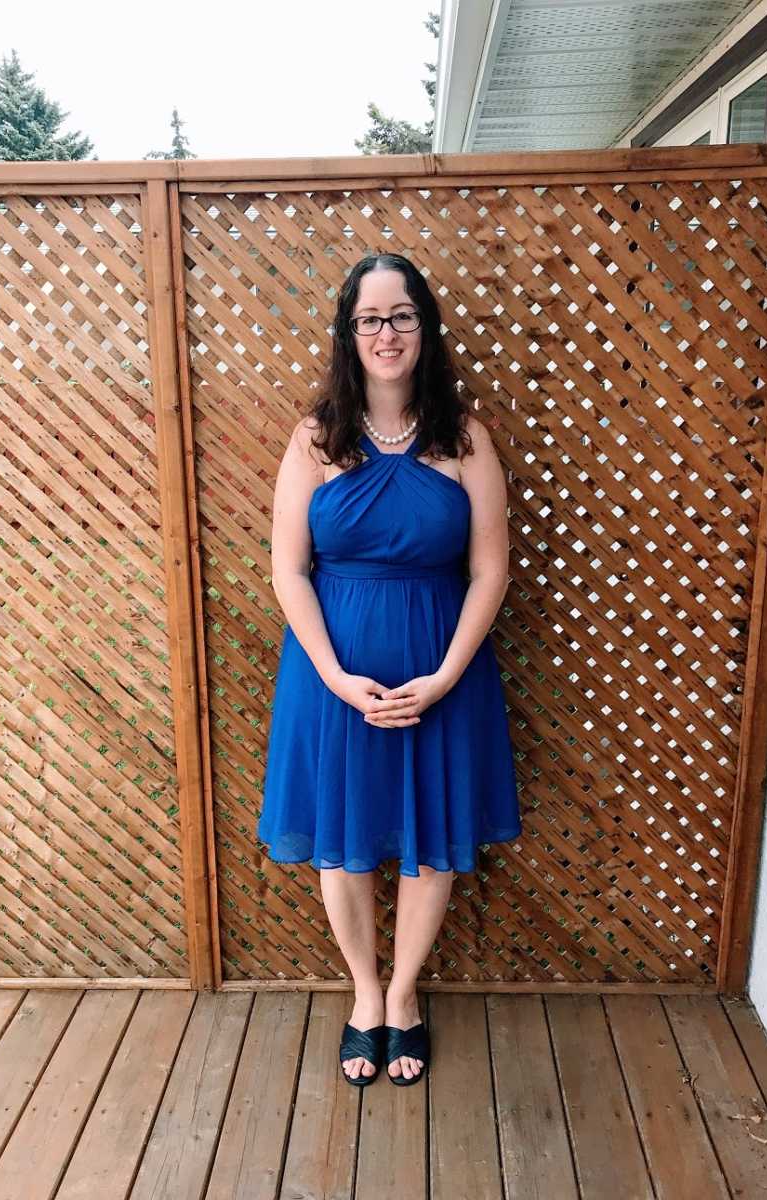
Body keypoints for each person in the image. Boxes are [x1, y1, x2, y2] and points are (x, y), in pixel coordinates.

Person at [257, 252, 521, 1088]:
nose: (386, 333)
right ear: (347, 332)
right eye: (369, 318)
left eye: (402, 314)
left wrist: (444, 676)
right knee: (343, 841)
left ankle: (404, 997)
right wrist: (334, 676)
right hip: (331, 682)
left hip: (444, 679)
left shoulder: (466, 438)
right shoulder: (314, 440)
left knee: (430, 839)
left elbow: (491, 571)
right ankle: (363, 994)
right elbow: (288, 569)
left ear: (426, 326)